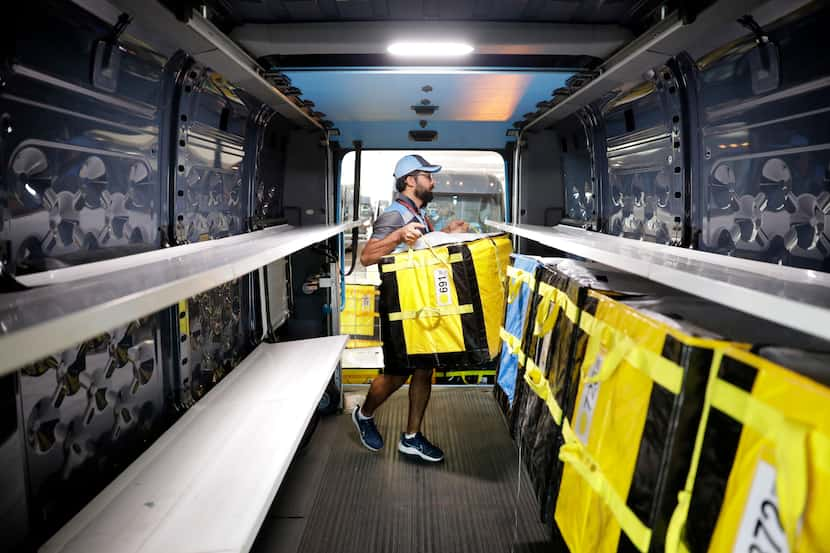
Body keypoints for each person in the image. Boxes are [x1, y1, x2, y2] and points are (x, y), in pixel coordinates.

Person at [353, 154, 468, 462]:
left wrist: (444, 234)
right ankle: (364, 415)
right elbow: (367, 257)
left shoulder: (418, 212)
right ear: (409, 181)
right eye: (427, 176)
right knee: (396, 374)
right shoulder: (394, 215)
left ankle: (411, 437)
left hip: (418, 304)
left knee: (424, 366)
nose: (433, 181)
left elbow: (418, 250)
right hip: (397, 306)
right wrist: (396, 235)